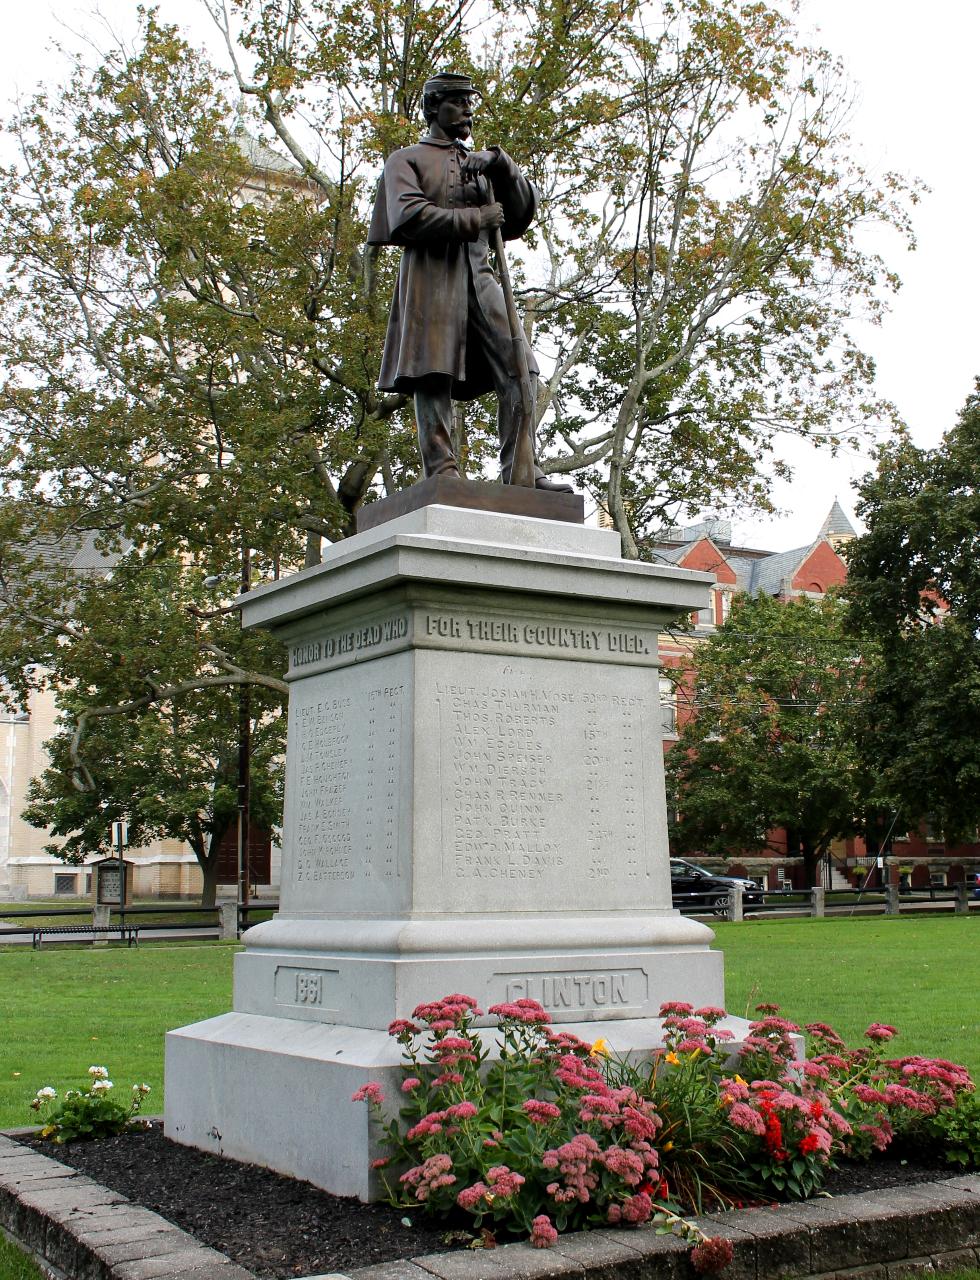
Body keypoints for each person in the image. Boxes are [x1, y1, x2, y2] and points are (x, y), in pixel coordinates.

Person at [367, 71, 572, 491]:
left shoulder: (479, 165)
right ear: (433, 108)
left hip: (480, 278)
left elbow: (519, 215)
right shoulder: (405, 160)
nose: (467, 109)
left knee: (521, 366)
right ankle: (442, 470)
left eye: (470, 101)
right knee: (433, 371)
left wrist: (503, 165)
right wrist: (475, 218)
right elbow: (408, 216)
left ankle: (523, 471)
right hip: (430, 280)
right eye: (457, 101)